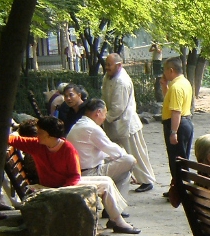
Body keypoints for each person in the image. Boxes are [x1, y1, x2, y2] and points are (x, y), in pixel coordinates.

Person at [8, 116, 138, 233]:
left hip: (65, 184)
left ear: (50, 135)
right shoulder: (37, 145)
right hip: (56, 187)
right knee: (106, 184)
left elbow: (75, 176)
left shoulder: (67, 149)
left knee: (107, 181)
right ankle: (118, 221)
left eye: (40, 132)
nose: (38, 135)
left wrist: (65, 187)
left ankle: (117, 219)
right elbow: (14, 139)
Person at [102, 53, 157, 192]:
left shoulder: (122, 82)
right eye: (106, 64)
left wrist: (102, 118)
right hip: (113, 124)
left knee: (136, 153)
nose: (107, 67)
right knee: (117, 154)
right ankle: (126, 177)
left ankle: (147, 180)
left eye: (109, 64)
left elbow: (117, 108)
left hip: (126, 124)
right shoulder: (108, 77)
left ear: (119, 65)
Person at [68, 98, 136, 197]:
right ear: (98, 112)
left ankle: (115, 206)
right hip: (88, 173)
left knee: (125, 171)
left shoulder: (79, 124)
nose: (105, 117)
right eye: (105, 113)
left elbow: (106, 152)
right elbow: (114, 151)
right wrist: (129, 163)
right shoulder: (92, 128)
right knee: (129, 160)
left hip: (81, 170)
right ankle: (114, 208)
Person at [161, 56, 194, 192]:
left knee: (177, 160)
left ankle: (181, 189)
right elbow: (170, 101)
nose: (164, 73)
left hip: (177, 124)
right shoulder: (183, 82)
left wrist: (173, 132)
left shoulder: (176, 87)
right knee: (181, 157)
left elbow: (176, 111)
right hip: (185, 122)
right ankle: (178, 187)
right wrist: (164, 86)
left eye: (165, 70)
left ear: (171, 70)